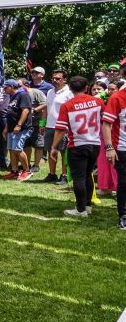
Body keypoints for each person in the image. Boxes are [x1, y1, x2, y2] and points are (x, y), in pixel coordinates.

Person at [51, 76, 104, 217]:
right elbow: (105, 121)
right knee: (88, 175)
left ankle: (80, 210)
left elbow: (60, 129)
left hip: (78, 144)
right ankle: (87, 205)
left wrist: (54, 147)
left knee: (79, 178)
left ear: (70, 88)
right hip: (95, 144)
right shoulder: (98, 102)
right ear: (86, 87)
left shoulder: (67, 105)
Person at [102, 80, 126, 229]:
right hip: (122, 148)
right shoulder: (117, 97)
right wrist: (109, 147)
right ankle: (123, 216)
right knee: (124, 183)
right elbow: (107, 124)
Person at [42, 70, 72, 184]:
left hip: (63, 127)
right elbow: (46, 107)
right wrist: (42, 123)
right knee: (50, 150)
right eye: (53, 78)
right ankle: (52, 174)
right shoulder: (50, 91)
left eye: (58, 79)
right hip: (50, 125)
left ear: (65, 80)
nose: (55, 80)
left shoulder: (69, 92)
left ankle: (64, 175)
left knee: (63, 151)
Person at [3, 79, 35, 180]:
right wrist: (6, 128)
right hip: (11, 128)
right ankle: (14, 171)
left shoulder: (23, 95)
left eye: (5, 87)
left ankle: (27, 171)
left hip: (21, 128)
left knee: (17, 149)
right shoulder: (12, 97)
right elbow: (11, 113)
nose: (4, 89)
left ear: (12, 87)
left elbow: (25, 110)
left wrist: (19, 125)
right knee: (12, 150)